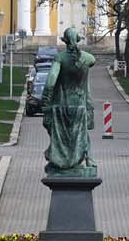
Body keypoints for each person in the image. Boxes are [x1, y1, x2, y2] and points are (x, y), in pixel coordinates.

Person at [40, 28, 96, 176]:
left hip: (61, 106)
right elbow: (92, 60)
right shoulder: (87, 58)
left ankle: (61, 162)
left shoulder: (60, 58)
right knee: (81, 134)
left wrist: (45, 100)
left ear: (65, 41)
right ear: (77, 40)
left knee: (59, 136)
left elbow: (51, 81)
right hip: (80, 105)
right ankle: (89, 161)